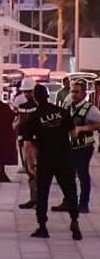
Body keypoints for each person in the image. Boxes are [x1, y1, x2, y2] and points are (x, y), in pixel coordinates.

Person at [19, 84, 81, 240]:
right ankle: (74, 222)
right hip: (65, 157)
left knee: (42, 194)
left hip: (46, 159)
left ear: (35, 98)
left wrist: (31, 163)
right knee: (70, 190)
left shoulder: (33, 118)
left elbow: (27, 145)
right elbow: (73, 134)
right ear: (48, 96)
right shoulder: (62, 112)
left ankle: (43, 227)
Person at [54, 79, 100, 214]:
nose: (73, 94)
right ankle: (68, 201)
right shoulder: (68, 107)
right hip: (69, 147)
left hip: (84, 147)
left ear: (84, 93)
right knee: (66, 175)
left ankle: (83, 204)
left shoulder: (90, 109)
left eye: (76, 92)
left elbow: (98, 123)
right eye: (72, 91)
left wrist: (82, 128)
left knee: (82, 174)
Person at [13, 78, 38, 209]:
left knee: (34, 169)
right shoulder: (22, 106)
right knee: (29, 170)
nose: (27, 94)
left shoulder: (39, 107)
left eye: (29, 92)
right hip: (23, 140)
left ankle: (37, 198)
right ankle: (34, 198)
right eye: (26, 92)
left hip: (34, 142)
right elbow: (19, 123)